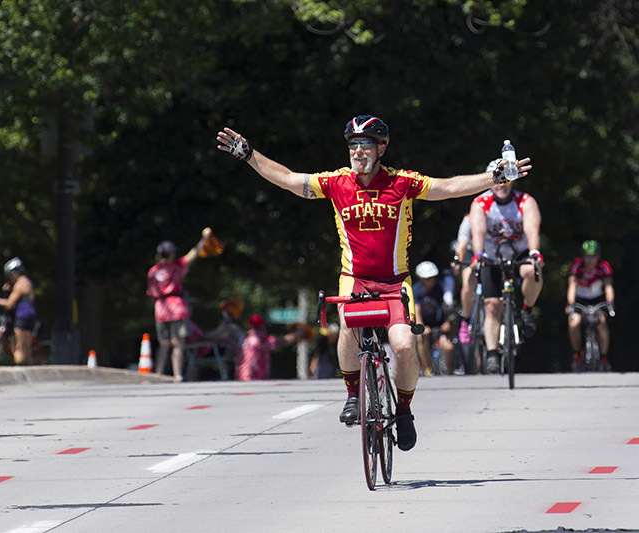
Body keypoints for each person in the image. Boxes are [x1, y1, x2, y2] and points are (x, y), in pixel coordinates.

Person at [217, 116, 532, 451]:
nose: (357, 151)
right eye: (352, 144)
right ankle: (353, 395)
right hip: (355, 278)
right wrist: (250, 155)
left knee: (405, 346)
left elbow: (448, 187)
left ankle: (404, 410)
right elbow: (290, 180)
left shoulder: (402, 183)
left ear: (381, 147)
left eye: (365, 144)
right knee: (348, 331)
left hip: (395, 282)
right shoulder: (337, 182)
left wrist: (493, 177)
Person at [469, 160, 544, 374]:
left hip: (519, 250)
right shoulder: (480, 203)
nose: (501, 185)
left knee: (532, 269)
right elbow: (479, 232)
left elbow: (532, 230)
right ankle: (492, 354)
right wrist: (478, 255)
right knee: (492, 305)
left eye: (505, 180)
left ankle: (528, 309)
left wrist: (534, 252)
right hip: (492, 254)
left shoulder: (525, 201)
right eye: (497, 180)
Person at [147, 228, 213, 382]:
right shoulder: (176, 266)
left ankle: (158, 373)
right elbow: (193, 255)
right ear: (170, 253)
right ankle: (178, 375)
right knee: (178, 343)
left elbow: (151, 293)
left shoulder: (153, 271)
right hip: (176, 308)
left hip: (161, 309)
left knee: (163, 344)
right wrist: (204, 239)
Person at [566, 240, 614, 369]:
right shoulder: (577, 266)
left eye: (593, 256)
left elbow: (608, 286)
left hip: (597, 300)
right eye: (587, 256)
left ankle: (603, 356)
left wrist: (610, 303)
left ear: (598, 256)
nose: (590, 260)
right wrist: (570, 304)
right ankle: (577, 354)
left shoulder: (603, 267)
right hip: (580, 300)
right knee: (573, 322)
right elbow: (572, 286)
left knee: (602, 322)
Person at [0, 257, 37, 364]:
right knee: (27, 348)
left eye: (10, 276)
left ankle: (19, 369)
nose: (10, 279)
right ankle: (30, 370)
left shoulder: (19, 284)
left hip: (22, 316)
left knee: (18, 347)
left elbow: (9, 304)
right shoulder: (28, 282)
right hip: (30, 315)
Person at [413, 261, 455, 376]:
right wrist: (421, 326)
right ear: (420, 278)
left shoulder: (441, 287)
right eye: (427, 278)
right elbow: (416, 310)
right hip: (425, 325)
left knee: (448, 347)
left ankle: (450, 370)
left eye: (432, 277)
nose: (430, 280)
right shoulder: (416, 291)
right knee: (421, 337)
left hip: (440, 325)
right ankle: (427, 368)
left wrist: (447, 322)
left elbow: (448, 306)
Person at [235, 314, 302, 381]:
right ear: (261, 326)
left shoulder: (243, 339)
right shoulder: (260, 339)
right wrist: (297, 334)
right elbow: (283, 341)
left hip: (243, 375)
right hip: (256, 377)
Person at [452, 214, 474, 346]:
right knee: (468, 281)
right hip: (471, 253)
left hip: (492, 252)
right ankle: (466, 318)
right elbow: (462, 242)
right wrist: (457, 260)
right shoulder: (469, 219)